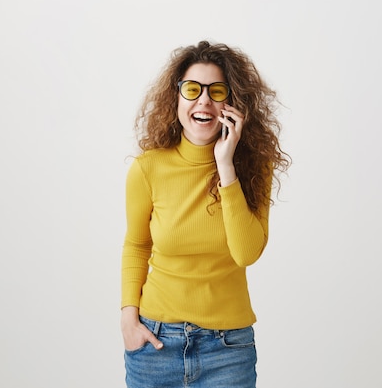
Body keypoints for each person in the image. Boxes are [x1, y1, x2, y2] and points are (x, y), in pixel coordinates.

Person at [120, 40, 290, 388]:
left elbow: (246, 252)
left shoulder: (254, 168)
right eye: (193, 89)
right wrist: (128, 320)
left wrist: (225, 164)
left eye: (217, 91)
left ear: (234, 103)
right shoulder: (148, 168)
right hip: (155, 344)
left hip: (227, 350)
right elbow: (137, 245)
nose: (204, 101)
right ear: (176, 98)